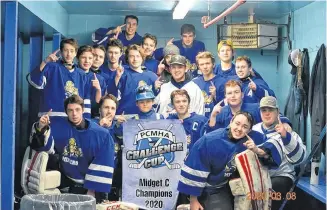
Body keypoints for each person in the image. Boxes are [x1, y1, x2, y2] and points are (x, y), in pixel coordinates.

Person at [178, 111, 282, 210]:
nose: (239, 129)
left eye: (245, 127)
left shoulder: (251, 139)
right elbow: (195, 166)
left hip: (224, 186)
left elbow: (271, 148)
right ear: (231, 121)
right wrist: (193, 200)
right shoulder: (210, 141)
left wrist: (257, 150)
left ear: (250, 130)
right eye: (237, 123)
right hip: (206, 188)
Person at [29, 95, 115, 201]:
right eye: (70, 110)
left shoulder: (101, 135)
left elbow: (104, 163)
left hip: (91, 186)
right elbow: (42, 147)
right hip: (67, 181)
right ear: (66, 112)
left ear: (83, 110)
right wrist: (41, 127)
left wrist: (92, 189)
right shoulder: (58, 127)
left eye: (77, 109)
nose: (74, 114)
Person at [252, 96, 306, 210]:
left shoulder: (287, 131)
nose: (267, 114)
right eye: (264, 110)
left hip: (281, 177)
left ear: (277, 111)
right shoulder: (254, 130)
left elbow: (299, 159)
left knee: (273, 189)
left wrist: (286, 137)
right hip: (259, 177)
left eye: (270, 110)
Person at [27, 38, 91, 118]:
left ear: (75, 53)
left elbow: (86, 102)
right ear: (61, 52)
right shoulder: (51, 67)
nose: (68, 54)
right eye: (65, 50)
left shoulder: (82, 75)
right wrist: (45, 62)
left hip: (73, 118)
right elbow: (35, 82)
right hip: (51, 116)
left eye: (71, 51)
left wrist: (85, 123)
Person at [206, 80, 291, 133]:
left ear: (242, 95)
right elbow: (212, 136)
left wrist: (284, 122)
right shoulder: (221, 113)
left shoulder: (255, 108)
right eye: (229, 93)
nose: (233, 96)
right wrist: (213, 116)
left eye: (236, 92)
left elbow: (274, 114)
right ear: (226, 96)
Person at [107, 44, 158, 114]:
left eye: (138, 56)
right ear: (127, 58)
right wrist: (117, 77)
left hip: (145, 118)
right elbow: (111, 94)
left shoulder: (152, 76)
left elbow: (156, 100)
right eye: (131, 56)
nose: (135, 59)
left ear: (142, 58)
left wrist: (157, 88)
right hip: (124, 116)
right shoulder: (121, 72)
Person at [193, 51, 226, 118]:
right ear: (198, 67)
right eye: (202, 64)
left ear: (213, 65)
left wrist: (215, 96)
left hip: (216, 120)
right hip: (199, 120)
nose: (205, 67)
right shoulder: (194, 83)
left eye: (207, 63)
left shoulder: (222, 82)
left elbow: (226, 107)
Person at [76, 45, 107, 117]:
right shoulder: (71, 74)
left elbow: (100, 104)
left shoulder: (99, 79)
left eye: (90, 58)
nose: (87, 61)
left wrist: (98, 90)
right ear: (77, 58)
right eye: (83, 57)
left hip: (92, 118)